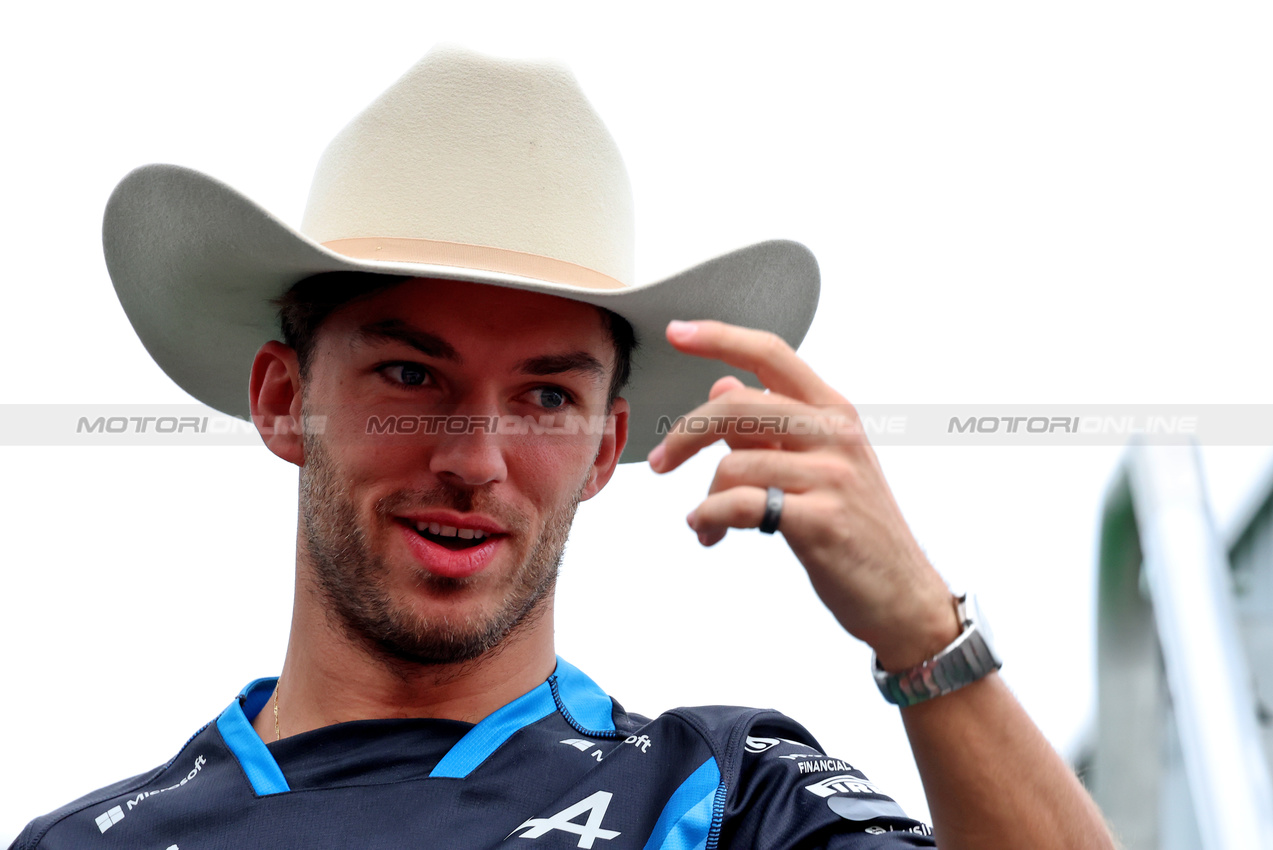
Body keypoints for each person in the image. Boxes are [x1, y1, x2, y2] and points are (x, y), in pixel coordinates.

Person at [10, 45, 1115, 850]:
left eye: (544, 395)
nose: (476, 455)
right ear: (282, 396)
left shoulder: (722, 800)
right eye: (411, 375)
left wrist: (925, 634)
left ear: (604, 447)